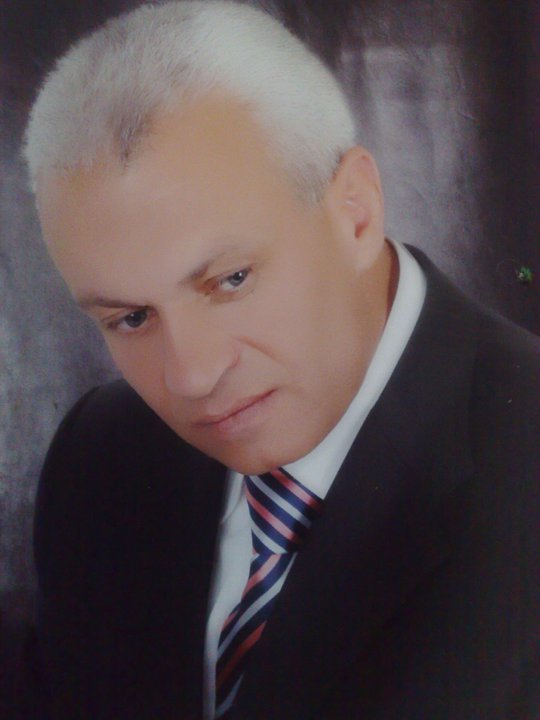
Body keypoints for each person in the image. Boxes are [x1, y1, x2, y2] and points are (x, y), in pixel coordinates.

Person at [19, 1, 539, 718]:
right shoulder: (99, 456)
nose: (192, 376)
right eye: (131, 318)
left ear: (354, 212)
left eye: (231, 280)